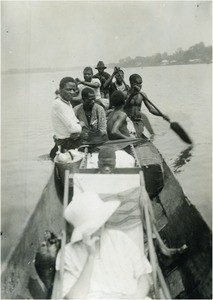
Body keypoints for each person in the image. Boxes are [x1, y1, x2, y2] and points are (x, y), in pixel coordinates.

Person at [55, 190, 152, 299]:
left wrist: (135, 298)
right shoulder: (68, 253)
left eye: (100, 223)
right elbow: (74, 298)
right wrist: (90, 257)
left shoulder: (119, 238)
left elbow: (144, 276)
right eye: (93, 227)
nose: (100, 229)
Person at [50, 77, 82, 156]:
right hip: (66, 143)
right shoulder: (59, 104)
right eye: (68, 89)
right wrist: (81, 124)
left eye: (74, 90)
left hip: (70, 140)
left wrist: (78, 126)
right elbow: (74, 129)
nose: (72, 92)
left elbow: (75, 121)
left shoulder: (67, 102)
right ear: (60, 89)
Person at [124, 74, 159, 139]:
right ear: (132, 83)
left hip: (138, 121)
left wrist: (162, 115)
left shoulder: (142, 95)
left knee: (149, 137)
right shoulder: (125, 94)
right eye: (138, 84)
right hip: (129, 121)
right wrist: (131, 95)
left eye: (141, 83)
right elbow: (122, 108)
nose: (140, 86)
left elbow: (151, 109)